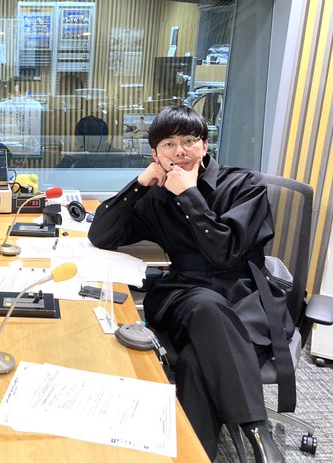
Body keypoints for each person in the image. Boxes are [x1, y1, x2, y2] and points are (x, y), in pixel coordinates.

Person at [88, 105, 290, 463]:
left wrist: (190, 195)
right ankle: (258, 433)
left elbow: (226, 255)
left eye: (189, 141)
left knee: (197, 361)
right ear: (156, 154)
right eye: (168, 144)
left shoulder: (244, 185)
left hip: (243, 296)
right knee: (205, 305)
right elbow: (101, 235)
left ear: (205, 144)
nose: (179, 151)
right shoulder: (157, 196)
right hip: (184, 295)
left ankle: (193, 456)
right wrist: (139, 185)